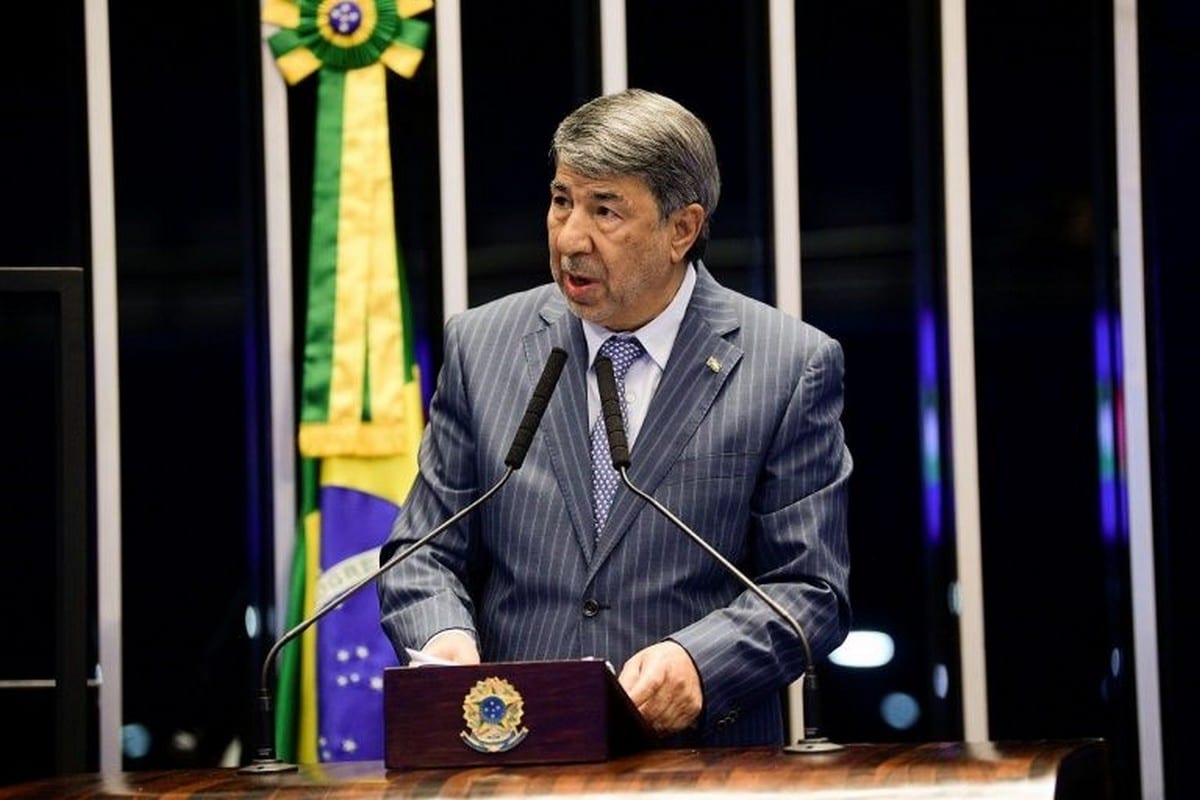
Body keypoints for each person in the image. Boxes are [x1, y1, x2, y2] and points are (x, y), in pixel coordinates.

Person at [377, 88, 851, 747]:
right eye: (562, 200)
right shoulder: (482, 346)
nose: (571, 238)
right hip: (515, 754)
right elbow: (421, 552)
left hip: (703, 765)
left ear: (681, 229)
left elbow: (811, 590)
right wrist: (445, 639)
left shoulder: (787, 365)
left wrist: (699, 662)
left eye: (606, 211)